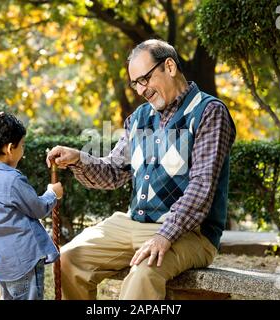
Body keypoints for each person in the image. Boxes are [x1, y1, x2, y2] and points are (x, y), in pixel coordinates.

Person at [46, 39, 236, 300]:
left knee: (142, 276)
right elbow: (114, 171)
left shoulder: (208, 112)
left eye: (144, 79)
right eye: (135, 84)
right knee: (69, 258)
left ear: (169, 66)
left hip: (190, 234)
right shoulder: (139, 119)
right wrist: (78, 159)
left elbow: (201, 187)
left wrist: (164, 236)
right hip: (133, 222)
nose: (141, 90)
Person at [0, 111, 63, 300]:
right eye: (22, 145)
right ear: (10, 148)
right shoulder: (13, 180)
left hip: (2, 263)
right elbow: (37, 208)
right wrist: (53, 193)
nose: (23, 150)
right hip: (25, 262)